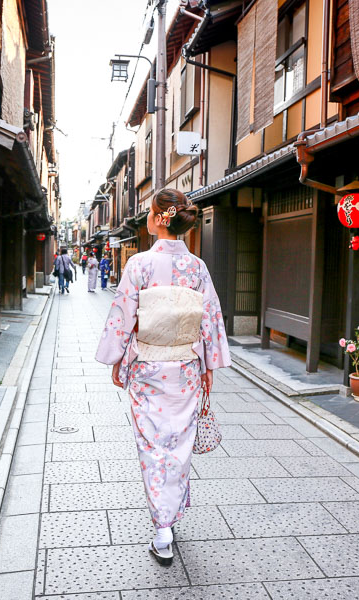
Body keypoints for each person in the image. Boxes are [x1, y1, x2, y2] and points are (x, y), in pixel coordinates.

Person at [95, 188, 231, 566]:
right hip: (186, 368)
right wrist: (207, 368)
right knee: (180, 444)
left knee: (153, 445)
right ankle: (171, 514)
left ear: (159, 218)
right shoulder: (197, 268)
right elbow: (209, 320)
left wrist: (116, 360)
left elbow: (123, 316)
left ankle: (163, 529)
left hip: (148, 369)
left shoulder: (138, 264)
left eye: (149, 212)